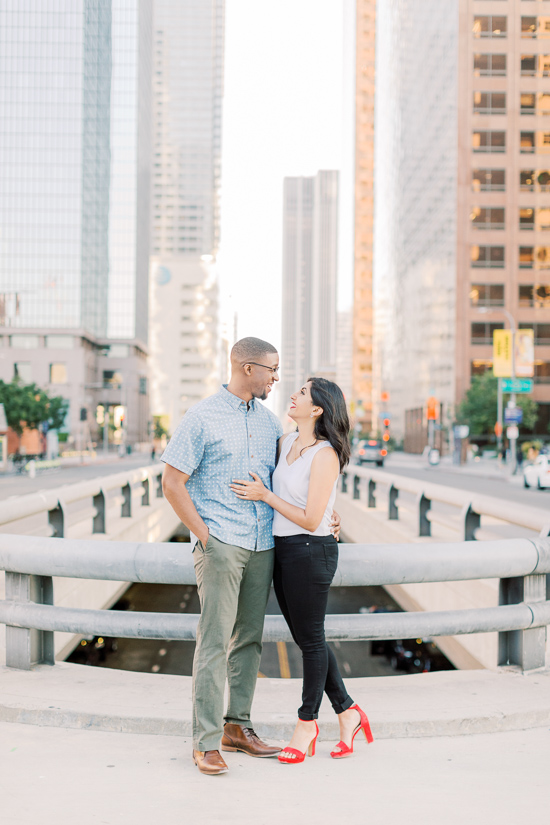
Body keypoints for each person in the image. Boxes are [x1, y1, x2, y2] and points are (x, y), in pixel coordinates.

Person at [161, 338, 341, 776]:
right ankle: (205, 742)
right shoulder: (200, 417)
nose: (277, 379)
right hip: (222, 544)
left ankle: (237, 727)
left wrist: (327, 516)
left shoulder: (269, 426)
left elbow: (297, 479)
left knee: (249, 641)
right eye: (271, 370)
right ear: (246, 369)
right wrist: (205, 536)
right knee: (214, 641)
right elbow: (171, 482)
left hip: (265, 546)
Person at [231, 377, 373, 764]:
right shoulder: (284, 442)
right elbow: (313, 507)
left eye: (303, 393)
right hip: (286, 550)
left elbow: (312, 519)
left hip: (313, 550)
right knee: (309, 638)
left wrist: (266, 495)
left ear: (318, 409)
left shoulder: (325, 454)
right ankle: (348, 713)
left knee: (310, 641)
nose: (293, 395)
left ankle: (307, 723)